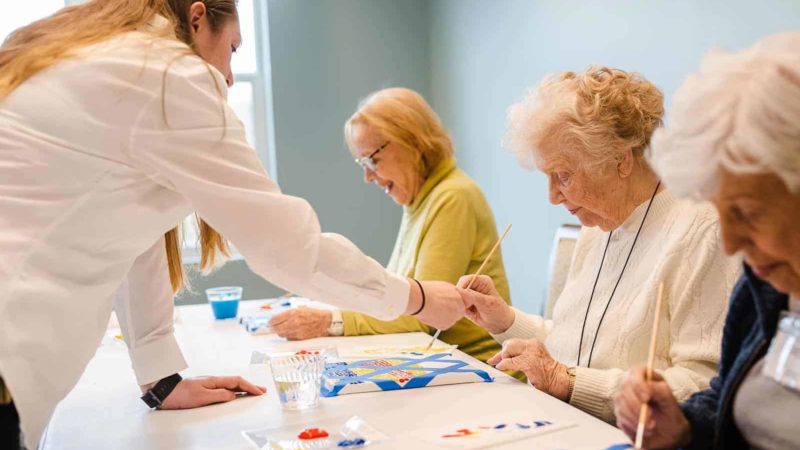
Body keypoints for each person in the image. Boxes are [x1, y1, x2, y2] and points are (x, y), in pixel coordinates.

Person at [0, 2, 464, 448]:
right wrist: (416, 298)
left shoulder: (89, 54)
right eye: (233, 49)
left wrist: (160, 379)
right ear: (197, 17)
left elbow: (131, 234)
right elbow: (288, 248)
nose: (228, 75)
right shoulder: (166, 74)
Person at [456, 67, 741, 422]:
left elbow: (703, 385)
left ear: (621, 160)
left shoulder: (702, 229)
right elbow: (572, 344)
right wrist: (504, 320)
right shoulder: (597, 226)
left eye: (563, 175)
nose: (552, 196)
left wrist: (566, 382)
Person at [613, 33, 800, 450]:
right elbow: (732, 401)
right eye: (721, 213)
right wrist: (683, 426)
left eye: (747, 213)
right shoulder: (765, 284)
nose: (730, 244)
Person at [269, 88, 519, 375]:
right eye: (363, 164)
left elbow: (422, 313)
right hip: (445, 365)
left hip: (480, 370)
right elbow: (400, 299)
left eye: (371, 160)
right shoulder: (421, 199)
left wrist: (329, 321)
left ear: (412, 142)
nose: (368, 176)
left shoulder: (453, 196)